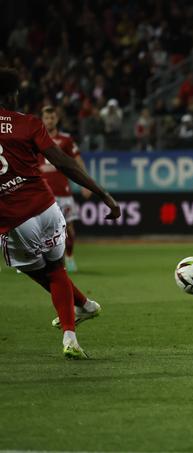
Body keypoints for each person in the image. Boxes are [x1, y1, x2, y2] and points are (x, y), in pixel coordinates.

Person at [0, 68, 121, 359]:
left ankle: (82, 312)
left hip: (14, 221)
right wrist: (103, 193)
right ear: (14, 94)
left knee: (46, 275)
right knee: (57, 270)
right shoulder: (29, 124)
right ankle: (76, 327)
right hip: (47, 208)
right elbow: (63, 162)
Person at [38, 106, 91, 272]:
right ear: (42, 119)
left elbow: (77, 161)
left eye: (52, 118)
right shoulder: (35, 138)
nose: (49, 121)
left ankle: (69, 256)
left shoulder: (66, 140)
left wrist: (86, 183)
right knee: (39, 229)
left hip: (63, 192)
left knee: (68, 227)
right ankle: (41, 261)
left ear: (57, 119)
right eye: (46, 118)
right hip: (42, 193)